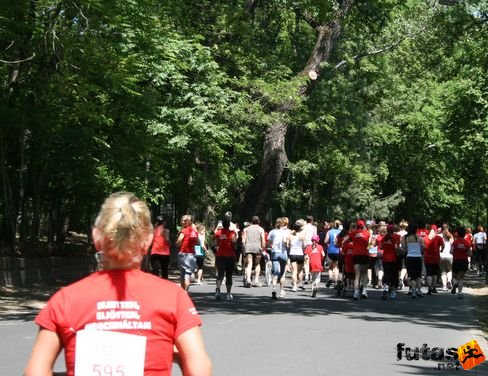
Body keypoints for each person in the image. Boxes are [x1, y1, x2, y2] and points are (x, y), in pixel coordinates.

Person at [24, 192, 211, 376]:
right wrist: (179, 358)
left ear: (97, 238)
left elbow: (35, 372)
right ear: (147, 241)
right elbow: (200, 369)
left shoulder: (65, 300)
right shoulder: (173, 297)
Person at [347, 219, 370, 300]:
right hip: (364, 254)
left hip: (356, 254)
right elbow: (367, 243)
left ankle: (356, 293)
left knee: (357, 275)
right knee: (364, 273)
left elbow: (348, 240)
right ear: (363, 225)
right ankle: (364, 291)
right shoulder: (367, 233)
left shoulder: (353, 233)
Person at [214, 218, 237, 300]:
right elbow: (234, 242)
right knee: (229, 275)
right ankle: (228, 294)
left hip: (220, 255)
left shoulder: (218, 233)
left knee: (220, 274)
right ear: (229, 225)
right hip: (230, 255)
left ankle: (218, 290)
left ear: (222, 225)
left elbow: (215, 244)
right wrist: (235, 247)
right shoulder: (232, 233)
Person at [176, 214, 199, 291]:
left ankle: (183, 292)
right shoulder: (194, 232)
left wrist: (177, 244)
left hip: (183, 253)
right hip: (191, 255)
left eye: (185, 220)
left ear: (189, 222)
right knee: (187, 274)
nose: (183, 222)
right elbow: (198, 242)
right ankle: (185, 292)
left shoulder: (184, 230)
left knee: (183, 274)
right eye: (182, 220)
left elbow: (179, 240)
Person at [402, 223, 425, 299]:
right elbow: (423, 248)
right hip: (418, 257)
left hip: (409, 257)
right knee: (418, 275)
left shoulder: (406, 238)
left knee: (412, 276)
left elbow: (404, 249)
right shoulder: (420, 238)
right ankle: (419, 290)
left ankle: (413, 291)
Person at [241, 216, 266, 287]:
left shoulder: (246, 229)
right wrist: (263, 249)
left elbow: (243, 241)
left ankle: (248, 279)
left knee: (249, 264)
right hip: (257, 247)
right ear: (259, 221)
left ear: (251, 222)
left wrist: (243, 248)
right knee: (257, 264)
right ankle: (256, 280)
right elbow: (263, 241)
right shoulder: (261, 229)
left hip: (248, 247)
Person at [268, 217, 289, 299]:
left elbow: (269, 243)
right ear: (283, 223)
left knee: (276, 272)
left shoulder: (272, 232)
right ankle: (282, 291)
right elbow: (286, 243)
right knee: (282, 273)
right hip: (283, 253)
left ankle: (273, 288)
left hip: (275, 253)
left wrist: (272, 246)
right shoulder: (285, 233)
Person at [451, 226, 472, 299]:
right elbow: (470, 254)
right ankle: (460, 293)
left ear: (458, 234)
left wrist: (456, 252)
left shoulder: (455, 242)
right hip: (464, 261)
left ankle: (455, 283)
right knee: (461, 278)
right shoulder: (467, 243)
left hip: (456, 260)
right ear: (464, 234)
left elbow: (451, 251)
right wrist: (464, 252)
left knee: (454, 276)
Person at [287, 220, 306, 292]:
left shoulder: (290, 236)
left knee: (294, 271)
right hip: (300, 253)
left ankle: (294, 286)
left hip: (293, 253)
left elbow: (288, 245)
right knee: (300, 270)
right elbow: (305, 245)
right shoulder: (302, 236)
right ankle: (301, 283)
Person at [324, 220, 341, 288]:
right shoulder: (340, 232)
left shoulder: (329, 232)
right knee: (336, 267)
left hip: (330, 251)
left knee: (330, 267)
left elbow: (325, 241)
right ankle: (336, 282)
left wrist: (329, 242)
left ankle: (330, 278)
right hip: (337, 251)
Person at [439, 223, 454, 291]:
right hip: (449, 256)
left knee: (443, 271)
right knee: (449, 270)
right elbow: (453, 245)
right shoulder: (451, 236)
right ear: (448, 228)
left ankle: (444, 286)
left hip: (441, 255)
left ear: (441, 228)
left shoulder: (439, 236)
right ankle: (449, 281)